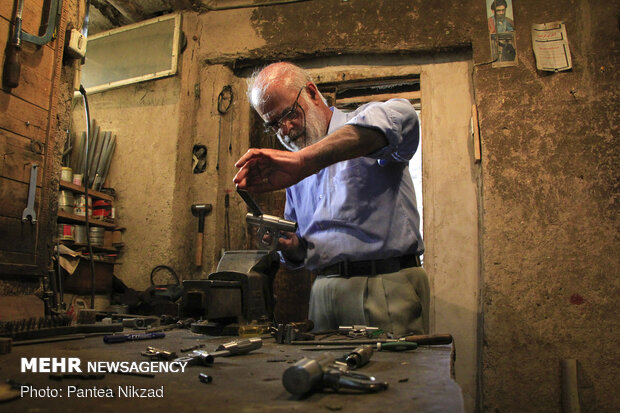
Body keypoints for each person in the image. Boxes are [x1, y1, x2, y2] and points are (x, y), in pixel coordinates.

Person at [233, 62, 429, 336]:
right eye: (274, 125)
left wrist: (304, 161)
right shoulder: (294, 165)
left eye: (289, 114)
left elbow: (404, 117)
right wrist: (290, 246)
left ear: (312, 93)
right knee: (323, 377)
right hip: (324, 289)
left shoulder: (364, 125)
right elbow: (304, 248)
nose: (286, 130)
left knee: (394, 375)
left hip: (385, 284)